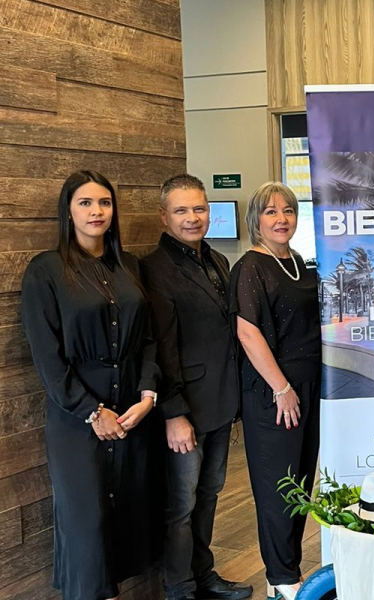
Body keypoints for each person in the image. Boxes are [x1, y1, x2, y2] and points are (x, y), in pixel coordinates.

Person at [20, 170, 161, 600]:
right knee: (87, 523)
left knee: (125, 519)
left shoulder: (129, 266)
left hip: (132, 412)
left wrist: (148, 394)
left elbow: (149, 338)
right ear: (68, 210)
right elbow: (47, 355)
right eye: (85, 202)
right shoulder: (46, 270)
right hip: (76, 420)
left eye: (104, 202)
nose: (97, 211)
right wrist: (92, 411)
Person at [141, 174, 252, 600]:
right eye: (182, 210)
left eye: (199, 208)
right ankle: (180, 588)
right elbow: (161, 347)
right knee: (181, 506)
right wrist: (174, 413)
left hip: (220, 403)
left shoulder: (218, 260)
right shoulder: (154, 269)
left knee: (209, 495)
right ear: (163, 216)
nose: (192, 217)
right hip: (184, 410)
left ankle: (204, 575)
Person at [230, 182, 322, 600]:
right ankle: (283, 576)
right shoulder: (251, 266)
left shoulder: (298, 262)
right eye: (271, 211)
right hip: (275, 391)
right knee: (278, 486)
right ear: (257, 219)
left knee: (300, 484)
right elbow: (248, 333)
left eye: (288, 210)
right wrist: (282, 388)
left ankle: (284, 571)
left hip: (308, 386)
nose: (281, 219)